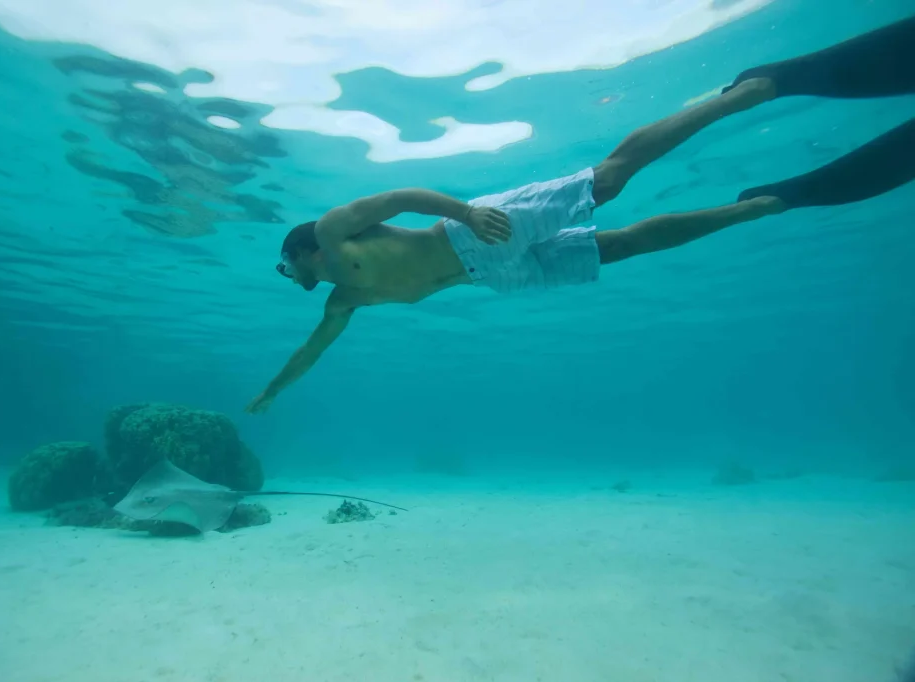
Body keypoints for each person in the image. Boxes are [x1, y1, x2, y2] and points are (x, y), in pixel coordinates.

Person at [245, 15, 915, 414]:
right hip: (494, 277)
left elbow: (397, 198)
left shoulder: (333, 232)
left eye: (284, 267)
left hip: (472, 228)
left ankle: (739, 98)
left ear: (302, 250)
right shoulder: (342, 301)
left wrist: (470, 213)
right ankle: (756, 209)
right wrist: (273, 392)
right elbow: (312, 352)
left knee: (609, 182)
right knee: (619, 246)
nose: (289, 277)